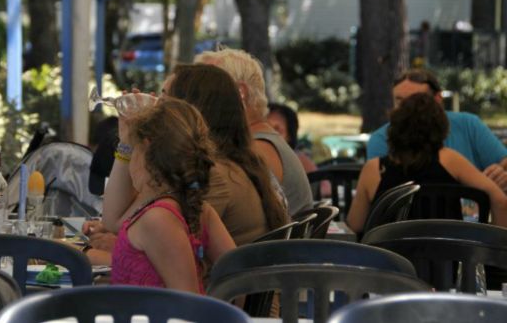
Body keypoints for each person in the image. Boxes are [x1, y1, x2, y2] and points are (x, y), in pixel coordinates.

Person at [109, 98, 235, 292]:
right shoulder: (191, 208)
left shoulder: (159, 219)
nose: (129, 158)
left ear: (146, 147)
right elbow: (240, 271)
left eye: (132, 149)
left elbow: (187, 299)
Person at [347, 93, 507, 233]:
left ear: (393, 127)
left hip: (389, 256)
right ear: (442, 128)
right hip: (448, 254)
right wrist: (494, 252)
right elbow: (500, 201)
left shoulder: (374, 169)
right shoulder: (449, 160)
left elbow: (355, 224)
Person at [167, 64, 288, 245]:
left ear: (191, 112)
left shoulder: (215, 175)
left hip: (223, 265)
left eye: (166, 100)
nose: (157, 109)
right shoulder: (238, 163)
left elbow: (168, 247)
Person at [196, 49, 313, 215]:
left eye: (206, 89)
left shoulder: (254, 150)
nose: (197, 100)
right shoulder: (263, 142)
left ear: (240, 92)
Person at [365, 69, 507, 192]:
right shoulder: (381, 139)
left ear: (438, 99)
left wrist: (500, 172)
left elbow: (503, 160)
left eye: (417, 101)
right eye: (399, 101)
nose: (407, 108)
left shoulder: (468, 124)